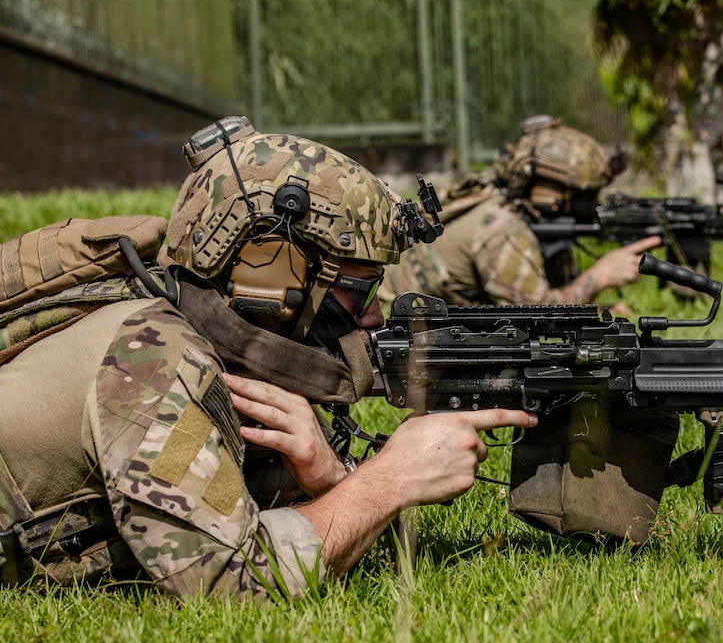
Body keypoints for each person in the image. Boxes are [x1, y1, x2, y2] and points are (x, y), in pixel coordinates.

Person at [0, 116, 536, 598]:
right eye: (359, 290)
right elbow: (228, 584)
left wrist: (330, 478)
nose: (372, 316)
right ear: (272, 271)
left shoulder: (194, 333)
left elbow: (292, 530)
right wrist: (389, 479)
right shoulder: (153, 360)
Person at [380, 115, 660, 308]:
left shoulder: (513, 209)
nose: (594, 203)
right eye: (586, 195)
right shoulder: (503, 229)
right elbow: (536, 316)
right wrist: (599, 276)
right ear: (552, 192)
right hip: (387, 317)